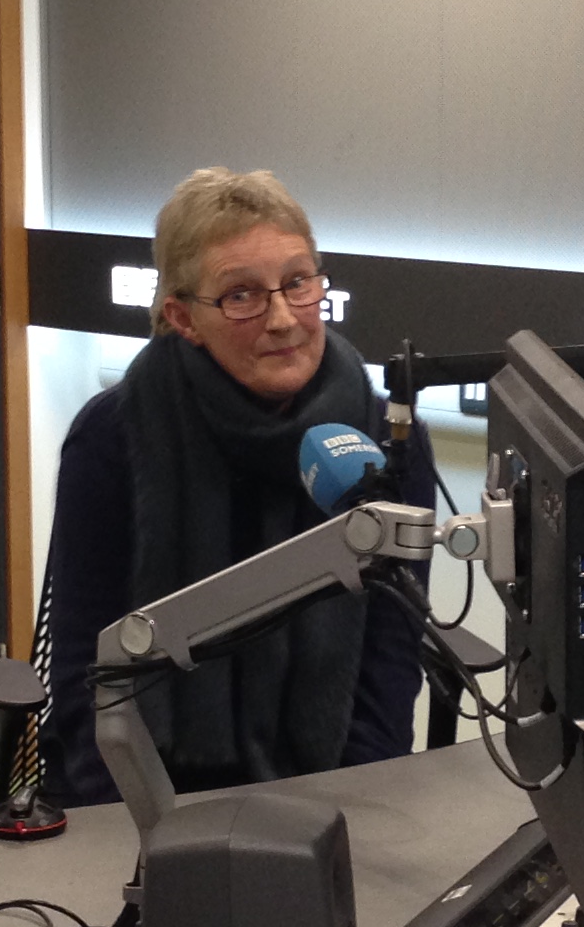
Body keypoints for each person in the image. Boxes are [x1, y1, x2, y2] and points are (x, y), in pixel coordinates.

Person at [40, 167, 434, 805]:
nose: (283, 318)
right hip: (155, 798)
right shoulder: (113, 438)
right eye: (242, 295)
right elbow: (89, 669)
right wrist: (128, 835)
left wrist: (357, 807)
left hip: (331, 789)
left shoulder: (386, 442)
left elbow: (389, 667)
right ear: (183, 317)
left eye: (298, 283)